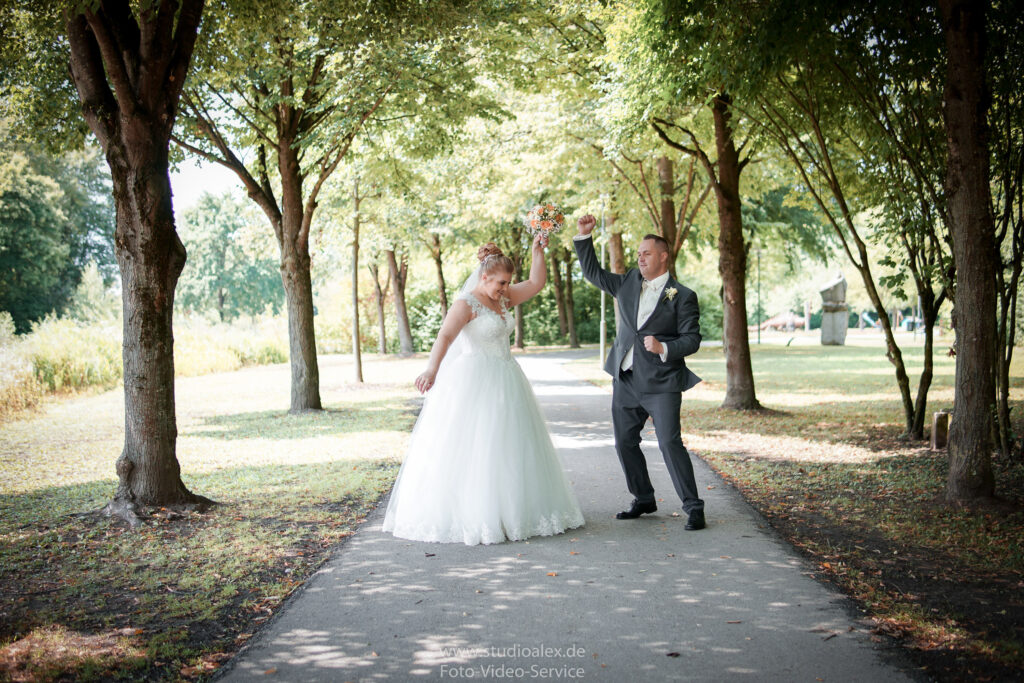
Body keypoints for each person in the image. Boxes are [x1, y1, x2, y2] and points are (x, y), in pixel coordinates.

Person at [382, 234, 585, 545]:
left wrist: (537, 250)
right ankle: (478, 516)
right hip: (476, 380)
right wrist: (431, 369)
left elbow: (535, 283)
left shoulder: (503, 298)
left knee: (512, 446)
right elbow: (445, 338)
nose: (505, 289)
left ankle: (513, 513)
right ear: (484, 276)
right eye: (500, 283)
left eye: (507, 283)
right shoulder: (467, 304)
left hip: (508, 379)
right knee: (480, 446)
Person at [573, 215, 706, 530]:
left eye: (646, 253)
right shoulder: (628, 281)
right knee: (624, 443)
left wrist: (664, 348)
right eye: (638, 254)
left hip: (661, 383)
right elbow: (593, 273)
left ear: (663, 256)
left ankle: (694, 507)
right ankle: (643, 498)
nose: (640, 258)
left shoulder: (683, 295)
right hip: (627, 380)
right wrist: (583, 237)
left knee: (669, 442)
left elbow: (692, 339)